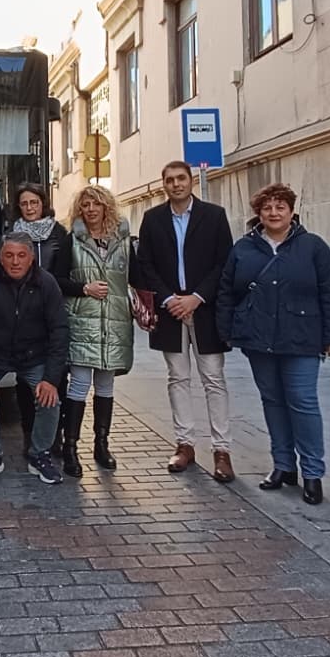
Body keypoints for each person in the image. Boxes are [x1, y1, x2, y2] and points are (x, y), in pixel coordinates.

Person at [216, 183, 330, 506]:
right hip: (259, 338)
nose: (274, 213)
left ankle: (313, 472)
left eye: (280, 207)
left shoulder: (313, 247)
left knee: (302, 402)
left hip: (301, 337)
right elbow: (227, 292)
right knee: (272, 401)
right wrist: (227, 331)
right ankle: (283, 466)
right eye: (267, 208)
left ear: (291, 211)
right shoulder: (243, 249)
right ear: (258, 214)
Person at [135, 160, 237, 479]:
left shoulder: (214, 216)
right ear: (162, 184)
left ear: (191, 181)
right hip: (170, 310)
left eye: (181, 178)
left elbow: (224, 263)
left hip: (204, 308)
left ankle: (222, 450)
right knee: (177, 378)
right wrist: (168, 299)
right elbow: (145, 265)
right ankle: (185, 445)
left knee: (213, 379)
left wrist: (196, 297)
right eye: (169, 180)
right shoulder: (152, 219)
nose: (176, 184)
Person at [0, 232, 69, 485]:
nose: (15, 262)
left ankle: (40, 455)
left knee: (50, 398)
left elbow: (60, 330)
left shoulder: (47, 283)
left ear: (32, 258)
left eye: (22, 255)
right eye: (9, 255)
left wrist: (52, 378)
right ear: (0, 256)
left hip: (35, 355)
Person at [57, 185, 135, 477]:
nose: (90, 209)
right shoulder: (72, 242)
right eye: (85, 205)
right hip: (82, 323)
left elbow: (136, 278)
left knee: (105, 386)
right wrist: (84, 288)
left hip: (114, 324)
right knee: (78, 385)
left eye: (96, 204)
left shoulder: (124, 242)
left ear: (106, 208)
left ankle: (102, 446)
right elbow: (56, 279)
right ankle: (70, 449)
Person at [8, 183, 73, 459]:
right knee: (26, 379)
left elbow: (66, 271)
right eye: (24, 203)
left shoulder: (59, 233)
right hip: (22, 311)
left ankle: (54, 435)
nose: (30, 208)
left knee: (56, 375)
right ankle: (30, 435)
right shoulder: (12, 234)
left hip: (53, 308)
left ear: (42, 203)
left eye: (34, 202)